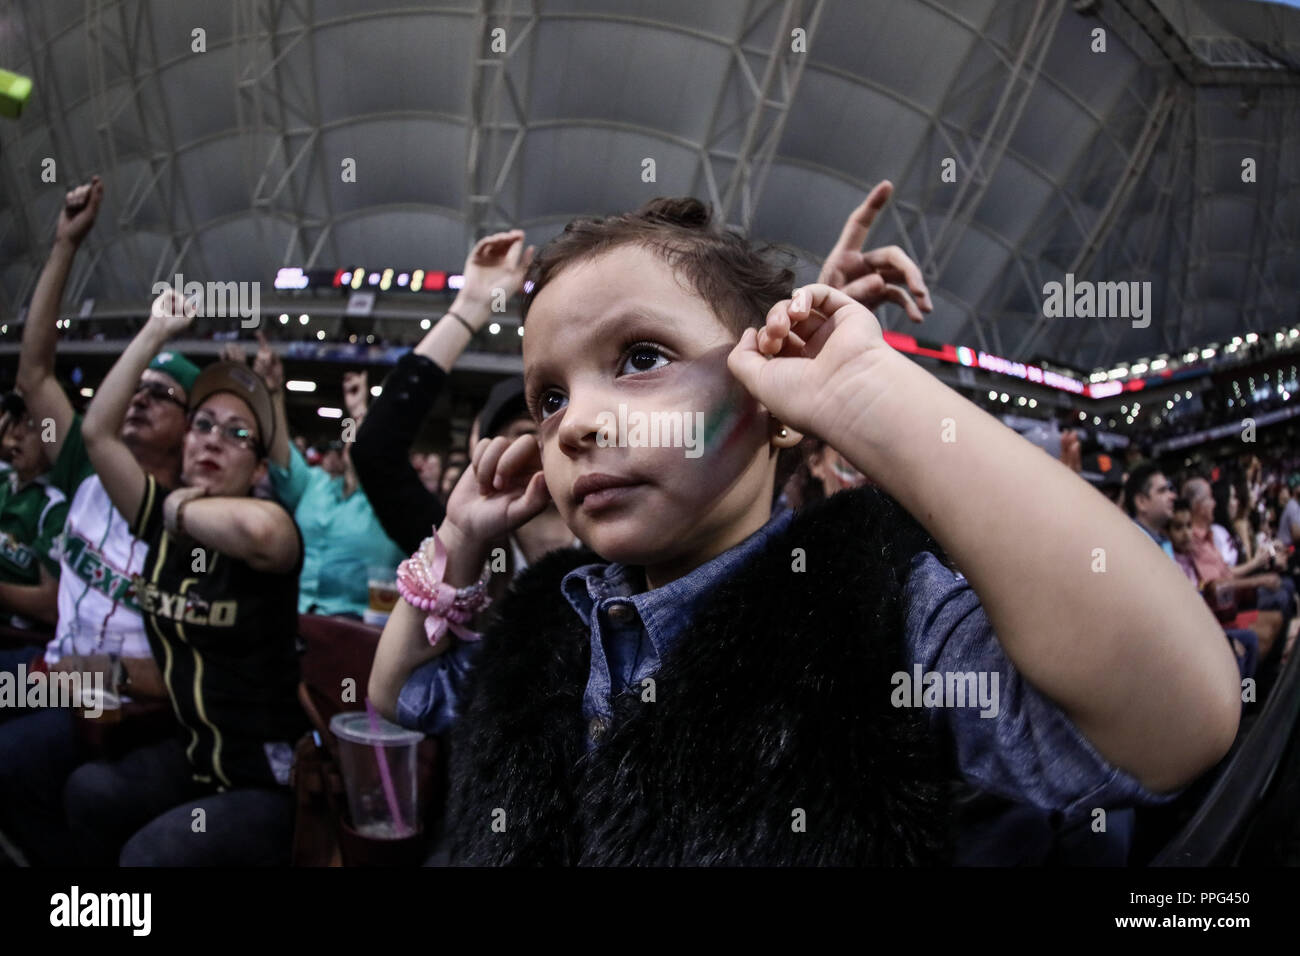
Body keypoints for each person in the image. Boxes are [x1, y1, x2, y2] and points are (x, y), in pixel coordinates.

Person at [372, 190, 1238, 866]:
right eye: (549, 396)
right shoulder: (547, 623)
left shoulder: (870, 616)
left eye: (640, 358)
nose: (574, 423)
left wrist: (869, 395)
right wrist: (460, 538)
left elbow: (1176, 720)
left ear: (774, 396)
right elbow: (398, 695)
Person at [63, 290, 306, 865]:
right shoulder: (162, 521)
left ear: (258, 468)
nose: (216, 440)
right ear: (186, 438)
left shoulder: (268, 525)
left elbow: (261, 533)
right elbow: (98, 433)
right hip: (195, 759)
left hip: (266, 779)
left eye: (238, 435)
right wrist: (155, 331)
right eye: (204, 425)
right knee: (88, 793)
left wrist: (171, 509)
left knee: (151, 857)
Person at [1, 177, 177, 866]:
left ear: (188, 428)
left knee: (13, 760)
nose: (138, 399)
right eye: (137, 387)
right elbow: (35, 372)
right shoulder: (83, 470)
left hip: (118, 689)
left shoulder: (186, 515)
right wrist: (65, 245)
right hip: (57, 664)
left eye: (161, 395)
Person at [240, 340, 405, 618]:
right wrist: (272, 390)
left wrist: (361, 409)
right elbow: (282, 454)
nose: (356, 444)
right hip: (293, 622)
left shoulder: (393, 505)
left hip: (358, 632)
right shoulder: (315, 484)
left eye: (368, 435)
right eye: (351, 438)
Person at [1168, 499, 1261, 679]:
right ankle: (1244, 702)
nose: (1187, 534)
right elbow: (1214, 586)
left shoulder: (1190, 556)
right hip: (1198, 628)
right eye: (1179, 528)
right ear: (1167, 532)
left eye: (1189, 526)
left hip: (1211, 619)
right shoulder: (1174, 561)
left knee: (1250, 641)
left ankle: (1248, 699)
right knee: (1241, 649)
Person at [0, 393, 66, 629]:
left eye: (31, 425)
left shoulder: (54, 507)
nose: (16, 434)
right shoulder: (4, 478)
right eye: (16, 423)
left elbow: (51, 606)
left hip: (15, 642)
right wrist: (12, 411)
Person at [1123, 462, 1176, 559]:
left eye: (1169, 489)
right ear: (1141, 502)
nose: (1172, 496)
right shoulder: (1131, 545)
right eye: (1162, 490)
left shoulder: (1162, 540)